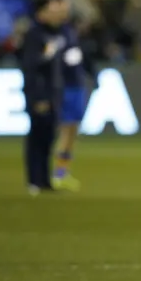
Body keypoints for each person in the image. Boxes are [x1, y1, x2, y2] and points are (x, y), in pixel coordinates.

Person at [20, 0, 70, 196]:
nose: (55, 13)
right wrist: (38, 97)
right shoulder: (34, 35)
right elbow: (31, 67)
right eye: (51, 10)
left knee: (48, 138)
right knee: (37, 138)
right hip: (40, 95)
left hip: (53, 94)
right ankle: (34, 181)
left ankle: (44, 180)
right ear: (41, 13)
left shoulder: (55, 34)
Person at [52, 15, 99, 191]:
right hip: (67, 89)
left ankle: (63, 171)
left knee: (72, 131)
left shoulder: (74, 40)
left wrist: (93, 75)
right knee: (67, 130)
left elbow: (83, 60)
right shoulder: (64, 39)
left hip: (75, 88)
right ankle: (59, 173)